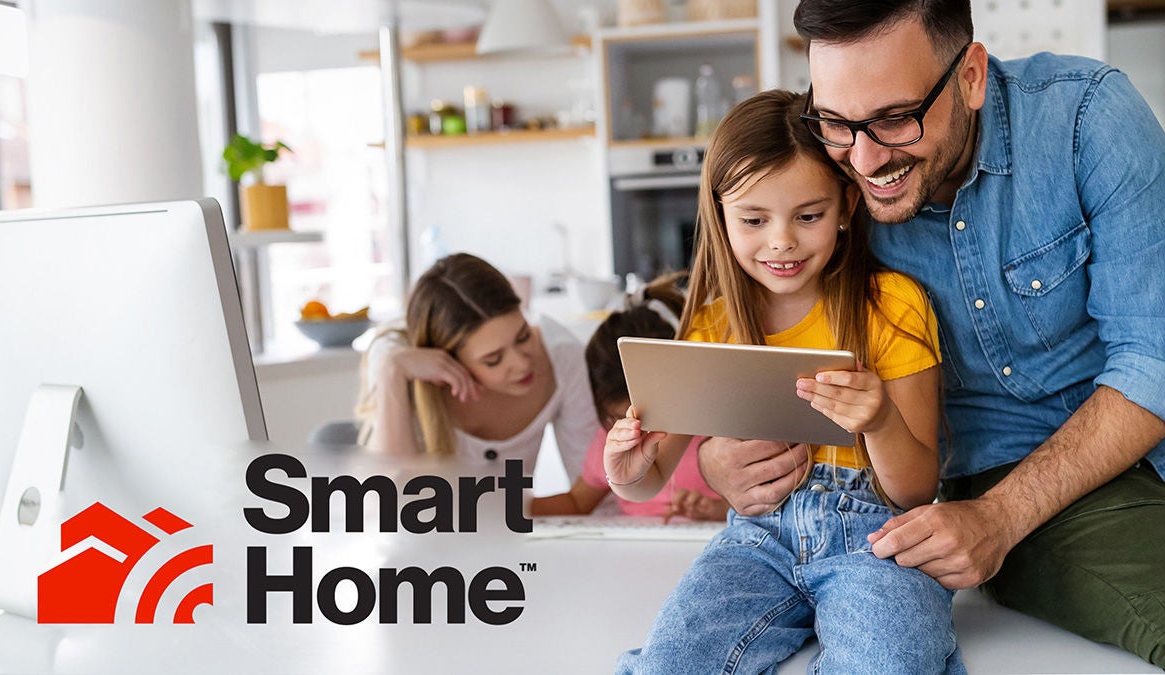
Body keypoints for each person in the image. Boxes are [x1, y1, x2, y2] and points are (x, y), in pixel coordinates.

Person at [697, 0, 1165, 664]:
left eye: (894, 118)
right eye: (836, 121)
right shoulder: (825, 187)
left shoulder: (1089, 118)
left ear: (971, 75)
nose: (863, 158)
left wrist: (999, 519)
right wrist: (719, 458)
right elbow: (762, 320)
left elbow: (1154, 356)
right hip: (1026, 485)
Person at [606, 89, 963, 673]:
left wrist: (878, 421)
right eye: (753, 219)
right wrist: (626, 476)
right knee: (670, 662)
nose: (781, 241)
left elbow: (915, 492)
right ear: (721, 216)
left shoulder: (893, 306)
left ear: (847, 205)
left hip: (875, 539)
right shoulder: (711, 327)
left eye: (808, 216)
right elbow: (649, 481)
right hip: (756, 542)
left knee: (890, 662)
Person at [353, 253, 599, 482]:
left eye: (523, 336)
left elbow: (593, 484)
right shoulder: (399, 363)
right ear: (448, 360)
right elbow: (386, 503)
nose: (522, 363)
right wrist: (392, 371)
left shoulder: (562, 355)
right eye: (493, 359)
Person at [530, 273, 728, 520]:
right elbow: (577, 501)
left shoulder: (712, 433)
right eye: (618, 418)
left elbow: (759, 504)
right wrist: (506, 508)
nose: (640, 432)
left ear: (676, 381)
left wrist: (718, 510)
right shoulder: (611, 443)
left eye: (653, 416)